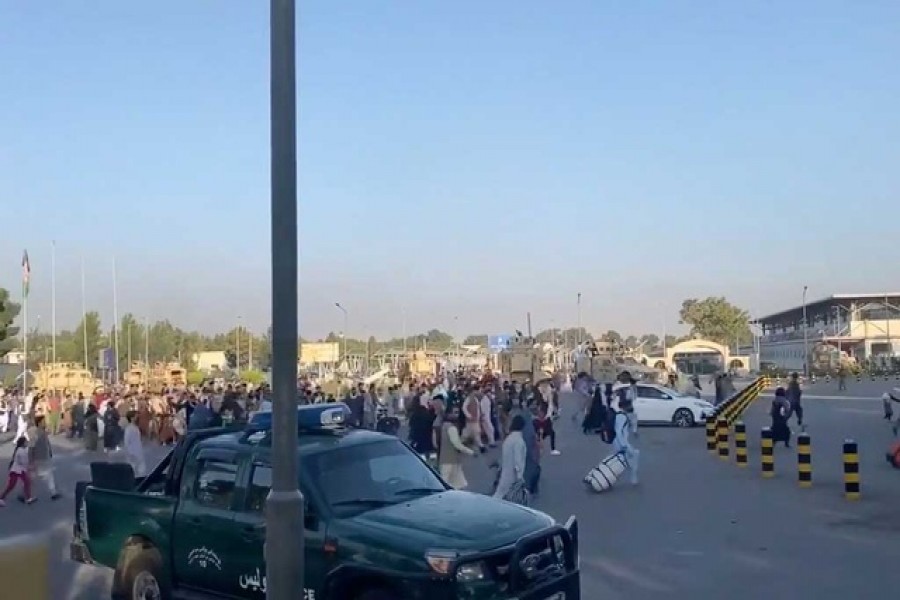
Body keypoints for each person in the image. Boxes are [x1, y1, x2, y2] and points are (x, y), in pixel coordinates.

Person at [437, 406, 475, 489]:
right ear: (448, 414)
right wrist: (471, 452)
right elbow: (457, 444)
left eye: (457, 412)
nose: (456, 415)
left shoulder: (444, 425)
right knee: (446, 482)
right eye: (454, 412)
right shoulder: (451, 428)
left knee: (457, 482)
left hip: (450, 459)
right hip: (449, 460)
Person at [494, 414, 527, 500]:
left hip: (506, 470)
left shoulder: (508, 439)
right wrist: (520, 476)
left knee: (500, 493)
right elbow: (518, 460)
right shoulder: (519, 441)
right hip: (513, 474)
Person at [29, 416, 60, 501]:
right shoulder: (35, 433)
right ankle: (53, 492)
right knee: (33, 477)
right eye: (43, 421)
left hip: (44, 457)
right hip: (38, 458)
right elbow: (31, 447)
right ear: (39, 423)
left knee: (46, 475)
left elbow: (47, 443)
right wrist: (30, 460)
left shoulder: (43, 432)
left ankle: (53, 493)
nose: (45, 423)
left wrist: (49, 451)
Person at [0, 437, 35, 506]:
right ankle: (1, 498)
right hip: (16, 470)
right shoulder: (20, 451)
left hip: (19, 470)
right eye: (25, 442)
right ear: (22, 443)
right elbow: (23, 461)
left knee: (26, 482)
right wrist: (29, 465)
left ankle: (28, 498)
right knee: (11, 485)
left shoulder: (21, 449)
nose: (27, 443)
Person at [612, 403, 640, 485]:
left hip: (618, 442)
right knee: (634, 455)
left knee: (621, 460)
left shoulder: (621, 416)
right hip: (621, 443)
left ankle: (631, 476)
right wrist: (623, 445)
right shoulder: (622, 417)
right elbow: (618, 431)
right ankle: (633, 477)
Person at [124, 411, 147, 477]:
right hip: (132, 454)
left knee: (142, 472)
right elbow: (126, 442)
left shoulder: (136, 427)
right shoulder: (128, 429)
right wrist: (129, 453)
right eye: (136, 416)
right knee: (132, 472)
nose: (138, 418)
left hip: (139, 453)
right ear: (131, 418)